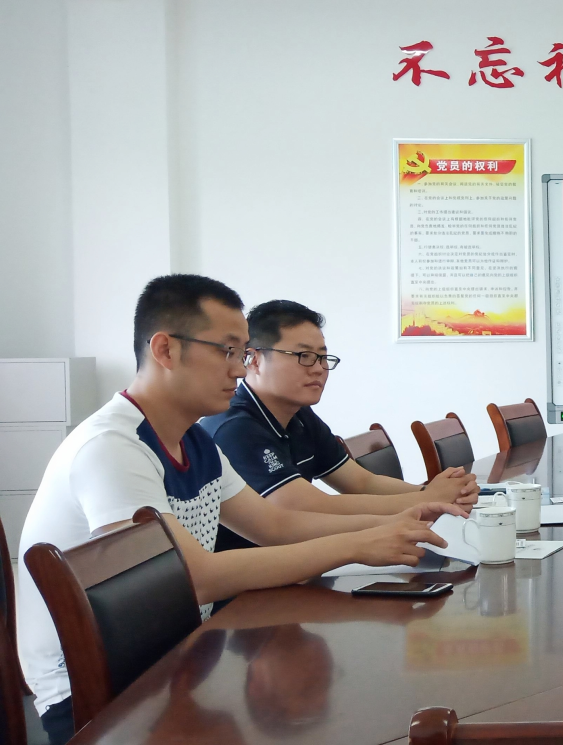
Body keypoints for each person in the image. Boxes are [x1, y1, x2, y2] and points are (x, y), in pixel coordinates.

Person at [17, 275, 462, 745]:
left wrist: (394, 524)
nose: (239, 368)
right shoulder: (112, 447)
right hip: (100, 693)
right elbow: (193, 578)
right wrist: (357, 544)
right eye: (227, 351)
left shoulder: (194, 440)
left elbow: (274, 524)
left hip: (177, 661)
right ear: (165, 350)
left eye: (243, 351)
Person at [200, 300, 479, 551]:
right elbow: (307, 505)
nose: (318, 368)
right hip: (252, 579)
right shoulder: (235, 428)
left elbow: (361, 482)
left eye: (322, 357)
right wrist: (427, 500)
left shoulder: (300, 415)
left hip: (297, 561)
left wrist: (430, 495)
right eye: (303, 356)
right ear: (254, 359)